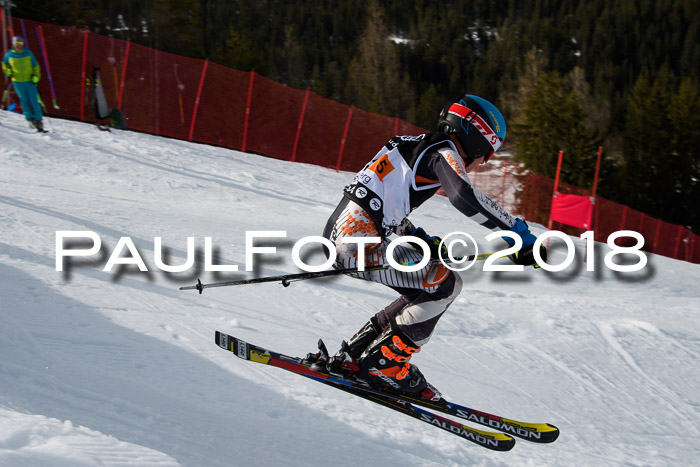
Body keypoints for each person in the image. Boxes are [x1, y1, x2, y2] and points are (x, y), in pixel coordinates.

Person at [310, 94, 546, 400]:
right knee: (445, 285)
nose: (480, 162)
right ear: (474, 138)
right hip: (356, 241)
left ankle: (356, 357)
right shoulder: (443, 150)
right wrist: (516, 232)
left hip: (350, 235)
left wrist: (422, 240)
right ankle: (385, 366)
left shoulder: (417, 144)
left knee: (428, 286)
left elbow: (382, 204)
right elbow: (464, 196)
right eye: (486, 152)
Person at [2, 36, 44, 131]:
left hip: (30, 81)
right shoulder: (9, 55)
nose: (18, 45)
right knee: (24, 101)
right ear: (13, 44)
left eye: (20, 44)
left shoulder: (28, 53)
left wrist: (36, 76)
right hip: (17, 81)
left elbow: (36, 65)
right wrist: (7, 70)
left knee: (34, 101)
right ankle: (30, 119)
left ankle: (38, 120)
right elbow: (4, 63)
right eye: (17, 43)